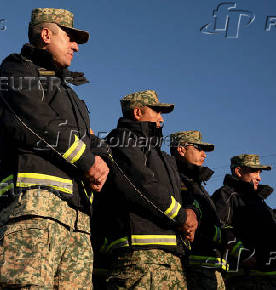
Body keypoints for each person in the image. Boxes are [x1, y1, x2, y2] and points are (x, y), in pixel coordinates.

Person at [0, 8, 109, 289]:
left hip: (78, 219)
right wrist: (88, 161)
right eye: (69, 37)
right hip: (36, 208)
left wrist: (100, 158)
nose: (76, 46)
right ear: (46, 35)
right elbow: (38, 122)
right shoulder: (16, 71)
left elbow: (87, 138)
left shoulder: (68, 93)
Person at [96, 89, 197, 289]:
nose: (161, 119)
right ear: (137, 113)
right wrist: (181, 217)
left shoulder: (159, 154)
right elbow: (140, 184)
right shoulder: (122, 140)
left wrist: (189, 213)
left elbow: (176, 194)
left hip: (171, 260)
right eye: (157, 111)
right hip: (140, 260)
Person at [170, 130, 226, 289]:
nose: (204, 155)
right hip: (191, 266)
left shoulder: (197, 184)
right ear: (181, 149)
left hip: (208, 266)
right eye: (199, 148)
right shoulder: (175, 180)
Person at [213, 154, 276, 289]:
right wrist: (243, 253)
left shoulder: (259, 202)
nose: (259, 177)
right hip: (244, 278)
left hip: (268, 276)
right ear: (239, 171)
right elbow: (220, 226)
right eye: (254, 171)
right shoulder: (227, 195)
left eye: (260, 172)